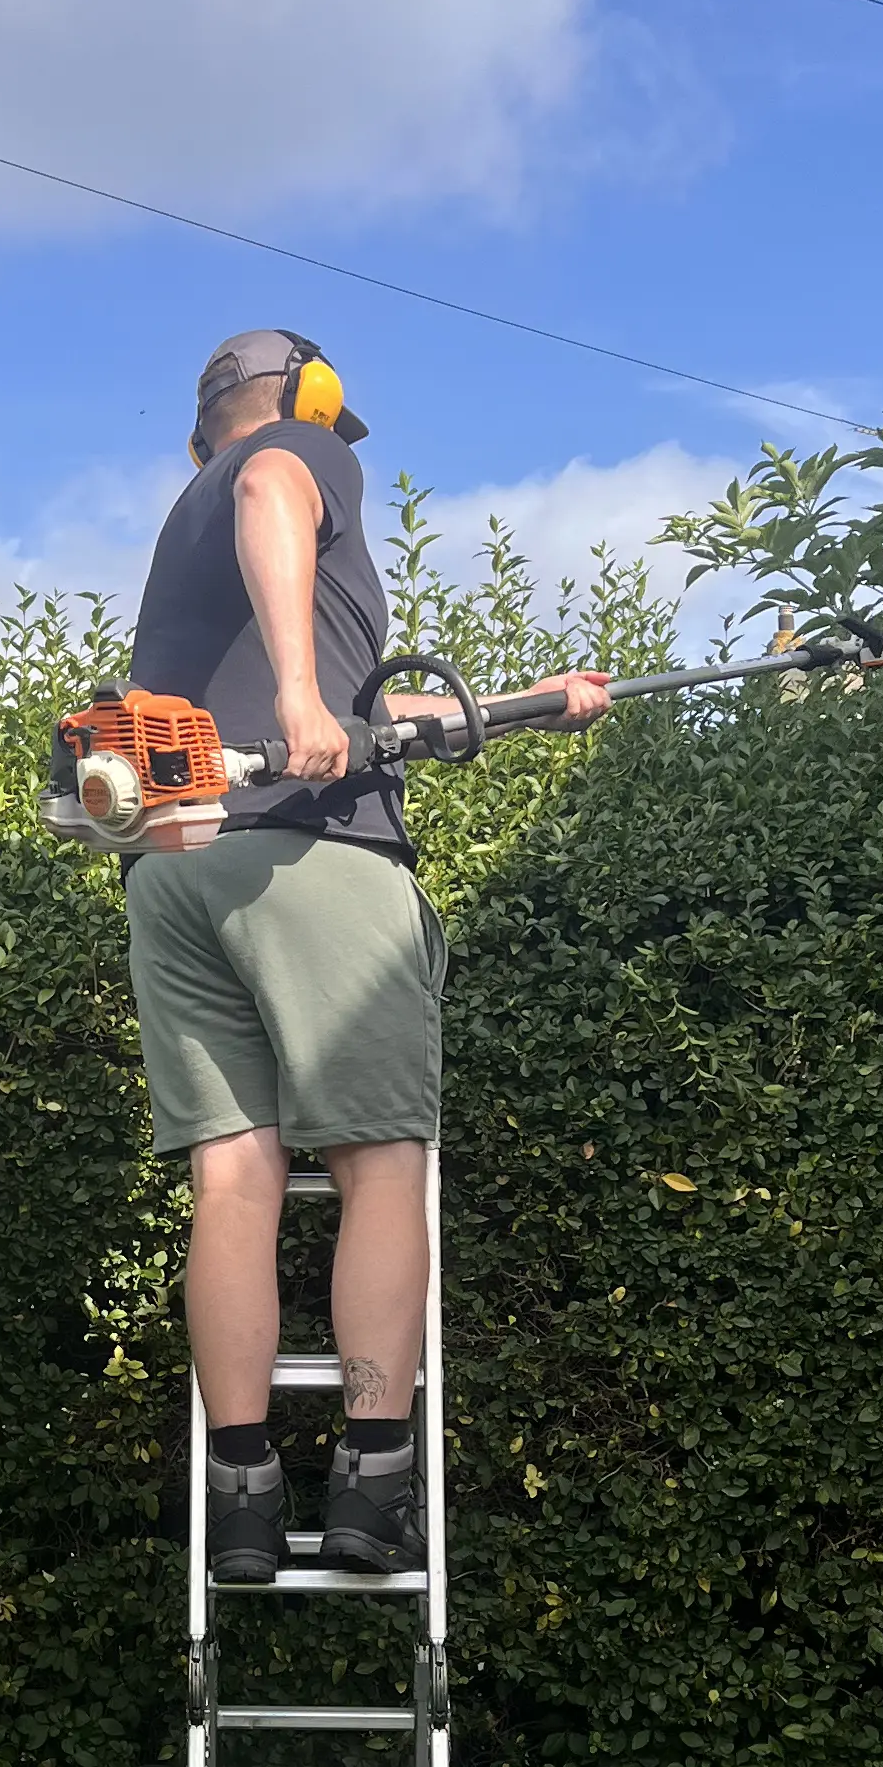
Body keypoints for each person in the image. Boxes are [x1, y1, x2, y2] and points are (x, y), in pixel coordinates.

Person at [120, 329, 609, 1584]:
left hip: (174, 867)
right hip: (308, 857)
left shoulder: (186, 534)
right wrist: (297, 697)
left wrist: (527, 704)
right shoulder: (294, 456)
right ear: (308, 401)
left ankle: (240, 1497)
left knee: (234, 1181)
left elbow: (366, 715)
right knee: (382, 1165)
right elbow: (274, 498)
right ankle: (370, 1486)